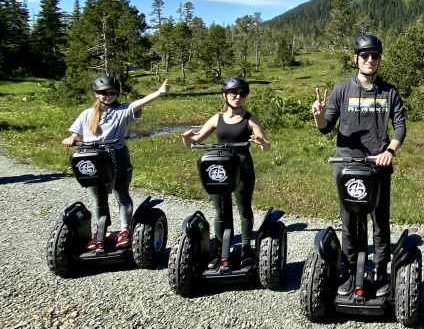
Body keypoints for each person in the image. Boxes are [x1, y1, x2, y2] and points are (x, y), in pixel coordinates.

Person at [311, 34, 406, 297]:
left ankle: (380, 270)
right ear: (356, 59)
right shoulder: (342, 90)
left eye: (374, 55)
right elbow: (326, 127)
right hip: (347, 165)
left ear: (379, 59)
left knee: (379, 219)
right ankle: (351, 270)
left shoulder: (389, 91)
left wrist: (390, 151)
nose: (370, 60)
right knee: (350, 220)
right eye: (365, 55)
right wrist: (319, 116)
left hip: (378, 166)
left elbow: (400, 127)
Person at [62, 75, 171, 249]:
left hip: (116, 155)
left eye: (112, 92)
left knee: (121, 194)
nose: (108, 95)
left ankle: (124, 230)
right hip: (91, 157)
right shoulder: (87, 114)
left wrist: (159, 92)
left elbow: (140, 102)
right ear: (96, 94)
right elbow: (77, 134)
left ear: (117, 93)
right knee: (98, 197)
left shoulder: (123, 110)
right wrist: (71, 138)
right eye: (103, 92)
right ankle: (101, 232)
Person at [181, 77, 271, 266]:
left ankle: (246, 246)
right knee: (221, 209)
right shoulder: (217, 118)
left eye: (242, 94)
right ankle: (221, 248)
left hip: (242, 165)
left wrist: (262, 142)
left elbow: (265, 144)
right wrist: (186, 138)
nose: (238, 97)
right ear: (225, 95)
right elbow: (194, 141)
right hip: (220, 166)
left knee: (244, 207)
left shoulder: (250, 119)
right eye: (233, 93)